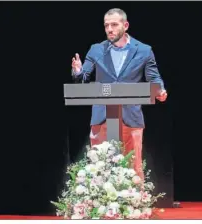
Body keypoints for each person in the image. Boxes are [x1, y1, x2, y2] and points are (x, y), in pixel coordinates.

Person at [71, 8, 167, 180]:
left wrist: (160, 90)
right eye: (106, 25)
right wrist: (77, 72)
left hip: (131, 116)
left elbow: (153, 77)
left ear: (126, 25)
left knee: (133, 166)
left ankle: (134, 204)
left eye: (114, 25)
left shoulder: (143, 50)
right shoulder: (96, 50)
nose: (109, 29)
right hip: (102, 116)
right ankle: (98, 204)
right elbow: (83, 78)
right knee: (99, 166)